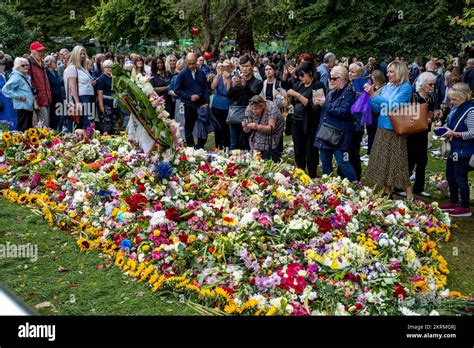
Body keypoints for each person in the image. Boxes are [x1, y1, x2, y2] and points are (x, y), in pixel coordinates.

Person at [364, 60, 414, 199]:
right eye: (388, 71)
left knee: (398, 163)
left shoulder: (405, 88)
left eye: (391, 71)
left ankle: (409, 195)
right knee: (384, 161)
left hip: (396, 129)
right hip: (382, 127)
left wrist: (375, 96)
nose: (388, 74)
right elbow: (378, 107)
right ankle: (388, 191)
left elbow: (394, 106)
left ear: (400, 72)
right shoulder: (387, 87)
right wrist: (368, 98)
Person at [395, 72, 437, 198]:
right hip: (412, 134)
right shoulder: (414, 97)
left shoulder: (430, 97)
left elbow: (430, 114)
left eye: (433, 85)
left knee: (422, 161)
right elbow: (406, 114)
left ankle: (419, 187)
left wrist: (432, 118)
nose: (432, 87)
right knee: (410, 161)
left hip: (423, 133)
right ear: (422, 84)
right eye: (430, 84)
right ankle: (399, 186)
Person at [314, 65, 357, 181]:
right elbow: (325, 111)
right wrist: (318, 104)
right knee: (325, 163)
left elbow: (343, 111)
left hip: (340, 135)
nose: (331, 81)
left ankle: (357, 187)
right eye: (330, 78)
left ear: (343, 79)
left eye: (334, 78)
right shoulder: (331, 93)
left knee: (343, 164)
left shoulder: (349, 94)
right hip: (325, 133)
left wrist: (325, 104)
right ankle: (326, 188)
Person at [283, 61, 325, 178]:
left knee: (310, 151)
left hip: (310, 123)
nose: (300, 78)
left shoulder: (318, 85)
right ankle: (300, 174)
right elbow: (294, 101)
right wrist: (288, 102)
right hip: (296, 122)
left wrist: (297, 95)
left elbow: (315, 108)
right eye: (299, 76)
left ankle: (312, 175)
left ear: (310, 73)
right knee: (298, 150)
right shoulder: (300, 85)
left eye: (302, 75)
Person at [438, 83, 474, 217]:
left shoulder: (471, 111)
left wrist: (455, 134)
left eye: (454, 99)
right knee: (450, 176)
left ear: (463, 96)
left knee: (460, 178)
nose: (451, 102)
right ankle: (453, 201)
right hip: (454, 148)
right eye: (451, 99)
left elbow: (473, 132)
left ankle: (465, 207)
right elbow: (451, 124)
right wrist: (442, 129)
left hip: (464, 150)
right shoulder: (455, 108)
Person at [227, 54, 263, 150]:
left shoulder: (258, 82)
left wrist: (245, 86)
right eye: (242, 66)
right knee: (234, 143)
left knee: (247, 142)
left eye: (247, 66)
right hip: (235, 114)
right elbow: (229, 96)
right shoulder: (236, 80)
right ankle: (232, 163)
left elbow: (253, 98)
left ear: (252, 66)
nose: (245, 69)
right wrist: (233, 86)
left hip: (249, 116)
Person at [174, 52, 210, 148]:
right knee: (189, 127)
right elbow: (177, 90)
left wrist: (206, 102)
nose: (191, 66)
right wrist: (189, 97)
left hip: (201, 104)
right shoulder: (182, 74)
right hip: (189, 104)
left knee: (202, 127)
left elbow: (206, 89)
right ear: (186, 62)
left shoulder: (201, 73)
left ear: (196, 62)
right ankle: (190, 147)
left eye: (193, 63)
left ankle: (200, 146)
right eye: (189, 64)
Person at [242, 95, 285, 162]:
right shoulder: (249, 108)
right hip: (258, 127)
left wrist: (257, 126)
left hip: (274, 130)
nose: (254, 111)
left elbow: (271, 128)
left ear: (262, 106)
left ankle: (272, 159)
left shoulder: (271, 108)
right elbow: (246, 131)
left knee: (270, 150)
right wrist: (245, 126)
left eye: (256, 109)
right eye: (252, 109)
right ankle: (258, 161)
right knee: (257, 145)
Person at [63, 45, 97, 131]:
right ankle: (87, 141)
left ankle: (88, 140)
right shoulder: (72, 67)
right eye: (80, 54)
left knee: (88, 120)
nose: (82, 55)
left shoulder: (82, 67)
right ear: (75, 55)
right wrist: (77, 102)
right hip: (81, 98)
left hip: (88, 97)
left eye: (83, 53)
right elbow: (72, 86)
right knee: (85, 122)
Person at [2, 57, 35, 131]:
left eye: (27, 65)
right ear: (17, 66)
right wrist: (19, 96)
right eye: (23, 65)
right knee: (23, 129)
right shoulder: (16, 76)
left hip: (28, 106)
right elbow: (5, 90)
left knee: (28, 129)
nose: (26, 67)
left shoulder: (25, 76)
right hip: (22, 106)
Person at [28, 41, 52, 127]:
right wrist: (35, 100)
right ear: (32, 51)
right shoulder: (29, 63)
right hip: (38, 99)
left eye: (41, 51)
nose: (41, 53)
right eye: (39, 51)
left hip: (46, 97)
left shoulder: (41, 62)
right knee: (44, 125)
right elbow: (30, 83)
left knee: (45, 124)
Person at [211, 59, 233, 149]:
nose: (225, 68)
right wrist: (218, 75)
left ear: (231, 68)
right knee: (218, 127)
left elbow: (229, 92)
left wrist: (228, 79)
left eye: (227, 66)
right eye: (223, 66)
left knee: (226, 128)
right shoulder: (218, 76)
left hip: (227, 106)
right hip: (216, 106)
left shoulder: (233, 77)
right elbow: (212, 87)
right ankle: (218, 145)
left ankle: (227, 146)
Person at [366, 69, 386, 155]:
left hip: (376, 117)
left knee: (373, 136)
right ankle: (370, 152)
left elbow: (377, 108)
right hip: (371, 116)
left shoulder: (383, 90)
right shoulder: (376, 88)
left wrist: (369, 97)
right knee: (370, 135)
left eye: (372, 79)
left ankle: (371, 153)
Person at [96, 59, 116, 134]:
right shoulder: (102, 78)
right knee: (106, 124)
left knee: (113, 123)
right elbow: (99, 93)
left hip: (113, 104)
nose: (110, 69)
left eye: (111, 67)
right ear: (104, 68)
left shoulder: (113, 77)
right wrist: (101, 106)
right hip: (105, 103)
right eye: (108, 67)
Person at [44, 55, 62, 131]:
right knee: (53, 117)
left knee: (58, 115)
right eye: (54, 62)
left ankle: (57, 130)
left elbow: (58, 82)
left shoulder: (55, 71)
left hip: (58, 97)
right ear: (50, 63)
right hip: (52, 98)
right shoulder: (46, 72)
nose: (56, 63)